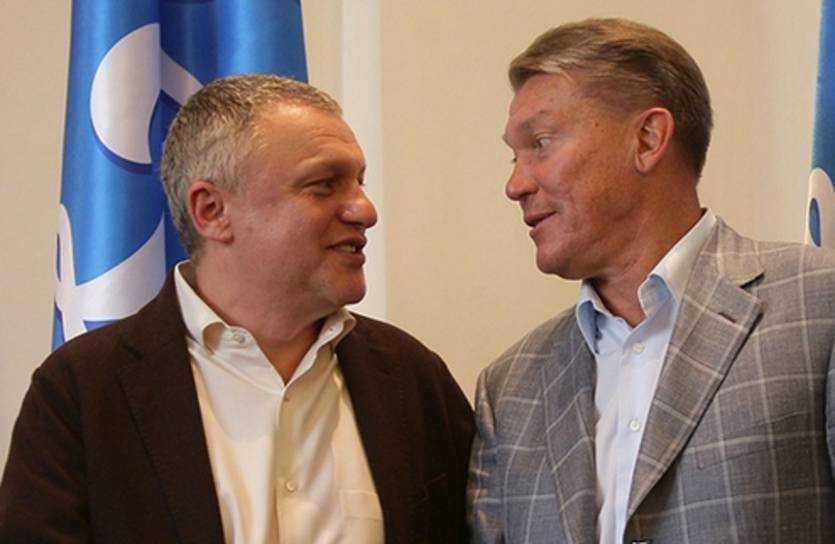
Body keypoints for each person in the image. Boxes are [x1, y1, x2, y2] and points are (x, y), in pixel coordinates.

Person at [0, 74, 474, 543]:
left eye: (359, 182)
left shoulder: (413, 379)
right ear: (212, 211)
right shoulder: (83, 393)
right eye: (324, 185)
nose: (365, 210)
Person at [468, 18, 835, 544]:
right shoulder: (509, 390)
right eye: (514, 154)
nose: (515, 183)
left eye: (541, 143)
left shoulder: (819, 307)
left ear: (647, 138)